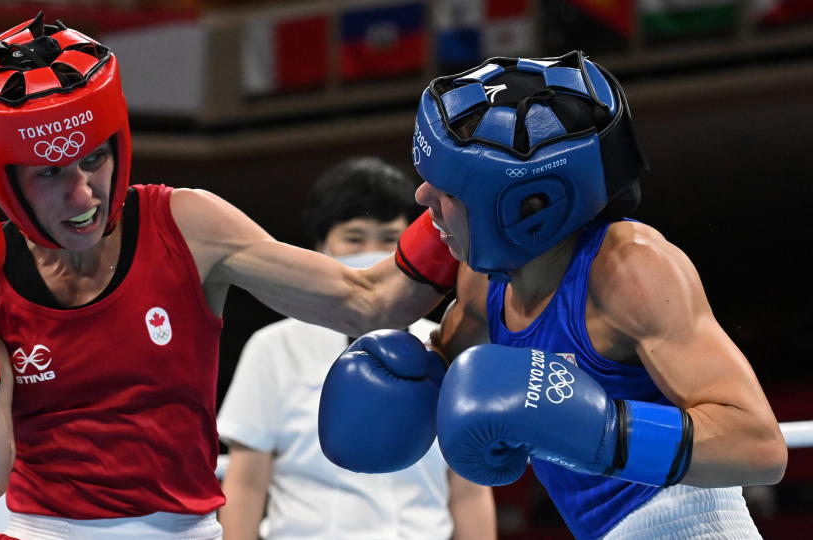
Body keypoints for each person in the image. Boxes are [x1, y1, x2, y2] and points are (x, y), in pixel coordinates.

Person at [0, 14, 460, 540]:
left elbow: (370, 300)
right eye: (52, 172)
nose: (83, 193)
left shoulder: (186, 225)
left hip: (184, 530)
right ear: (3, 179)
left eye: (95, 159)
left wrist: (461, 201)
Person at [319, 51, 788, 539]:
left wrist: (601, 429)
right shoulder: (485, 281)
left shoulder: (633, 268)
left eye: (446, 190)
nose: (422, 198)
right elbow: (453, 376)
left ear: (526, 206)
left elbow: (759, 447)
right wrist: (409, 383)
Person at [217, 157, 495, 540]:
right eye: (354, 238)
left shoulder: (450, 341)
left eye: (388, 238)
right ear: (321, 247)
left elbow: (468, 491)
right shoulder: (274, 349)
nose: (371, 251)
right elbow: (246, 483)